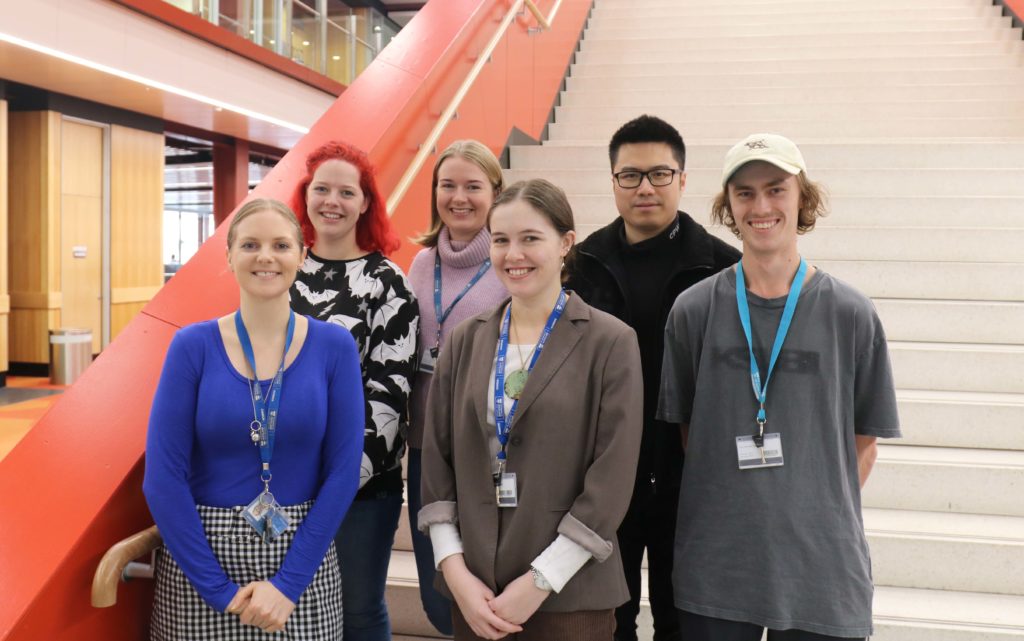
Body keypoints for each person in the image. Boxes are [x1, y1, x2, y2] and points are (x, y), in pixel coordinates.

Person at [657, 133, 901, 640]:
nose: (761, 206)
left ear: (801, 198)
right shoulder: (694, 310)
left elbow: (864, 441)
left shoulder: (850, 313)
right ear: (728, 206)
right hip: (718, 566)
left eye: (776, 189)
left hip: (823, 569)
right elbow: (690, 434)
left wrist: (807, 508)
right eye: (744, 193)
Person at [419, 179, 643, 641]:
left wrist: (541, 580)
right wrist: (456, 572)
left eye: (530, 239)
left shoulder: (611, 341)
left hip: (570, 595)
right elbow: (437, 461)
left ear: (565, 244)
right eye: (500, 240)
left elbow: (612, 478)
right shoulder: (465, 340)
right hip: (477, 590)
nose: (512, 254)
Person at [143, 198, 364, 640]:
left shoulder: (334, 346)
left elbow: (343, 472)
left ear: (303, 256)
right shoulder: (192, 346)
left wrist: (289, 584)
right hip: (202, 562)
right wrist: (218, 590)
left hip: (301, 560)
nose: (266, 256)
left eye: (281, 245)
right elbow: (163, 476)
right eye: (250, 245)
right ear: (229, 257)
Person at [565, 114, 740, 641]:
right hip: (601, 473)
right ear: (613, 180)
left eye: (660, 174)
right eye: (630, 175)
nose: (645, 187)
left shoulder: (724, 269)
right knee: (607, 620)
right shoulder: (580, 265)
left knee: (683, 619)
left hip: (692, 475)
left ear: (683, 180)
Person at [288, 141, 419, 641]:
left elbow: (389, 392)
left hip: (363, 483)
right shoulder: (284, 269)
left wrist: (336, 480)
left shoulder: (388, 282)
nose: (332, 201)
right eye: (322, 189)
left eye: (347, 191)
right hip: (284, 479)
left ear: (366, 203)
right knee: (294, 609)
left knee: (358, 611)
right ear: (306, 195)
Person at [407, 139, 509, 635]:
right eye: (448, 185)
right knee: (435, 587)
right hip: (425, 443)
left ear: (496, 192)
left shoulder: (512, 262)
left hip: (487, 448)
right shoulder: (421, 264)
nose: (459, 197)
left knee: (484, 581)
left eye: (474, 186)